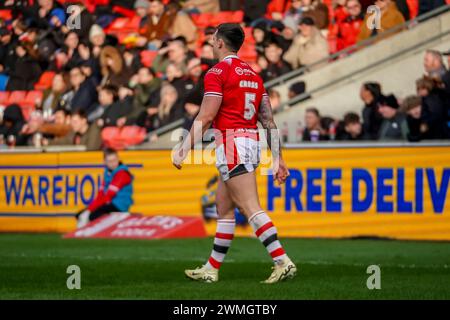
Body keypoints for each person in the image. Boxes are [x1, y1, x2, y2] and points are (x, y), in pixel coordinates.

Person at [172, 23, 296, 283]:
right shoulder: (254, 74)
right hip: (249, 142)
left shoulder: (217, 72)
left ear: (219, 42)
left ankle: (282, 260)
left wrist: (183, 148)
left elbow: (206, 116)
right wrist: (278, 157)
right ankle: (211, 269)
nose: (210, 42)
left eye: (213, 38)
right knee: (224, 208)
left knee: (251, 207)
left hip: (231, 143)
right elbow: (268, 121)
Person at [77, 148, 134, 228]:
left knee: (93, 215)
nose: (113, 163)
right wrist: (89, 209)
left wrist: (90, 210)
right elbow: (101, 195)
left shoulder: (122, 173)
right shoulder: (107, 173)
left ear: (118, 159)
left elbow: (108, 195)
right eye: (110, 161)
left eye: (115, 160)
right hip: (109, 202)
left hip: (120, 205)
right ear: (104, 162)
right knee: (79, 214)